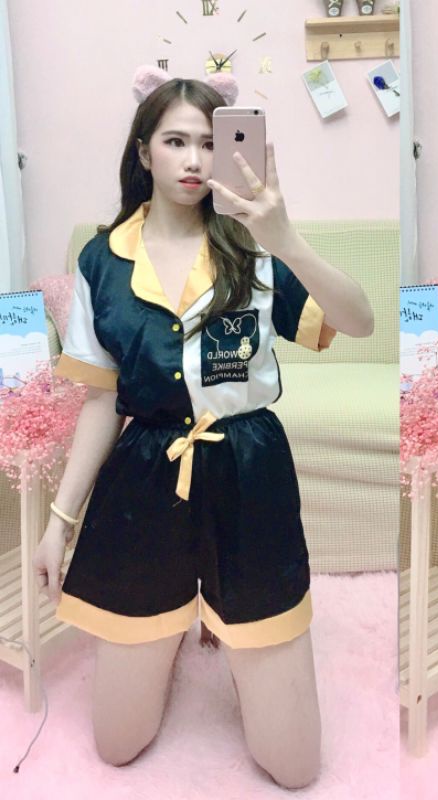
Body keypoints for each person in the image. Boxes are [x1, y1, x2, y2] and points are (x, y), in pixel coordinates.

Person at [32, 67, 373, 788]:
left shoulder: (254, 246)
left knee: (294, 768)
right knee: (117, 746)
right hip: (146, 476)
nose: (194, 160)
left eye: (209, 143)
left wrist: (285, 238)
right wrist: (59, 521)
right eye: (175, 141)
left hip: (249, 470)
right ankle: (177, 623)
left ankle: (227, 623)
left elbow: (360, 321)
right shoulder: (101, 259)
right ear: (143, 151)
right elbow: (100, 400)